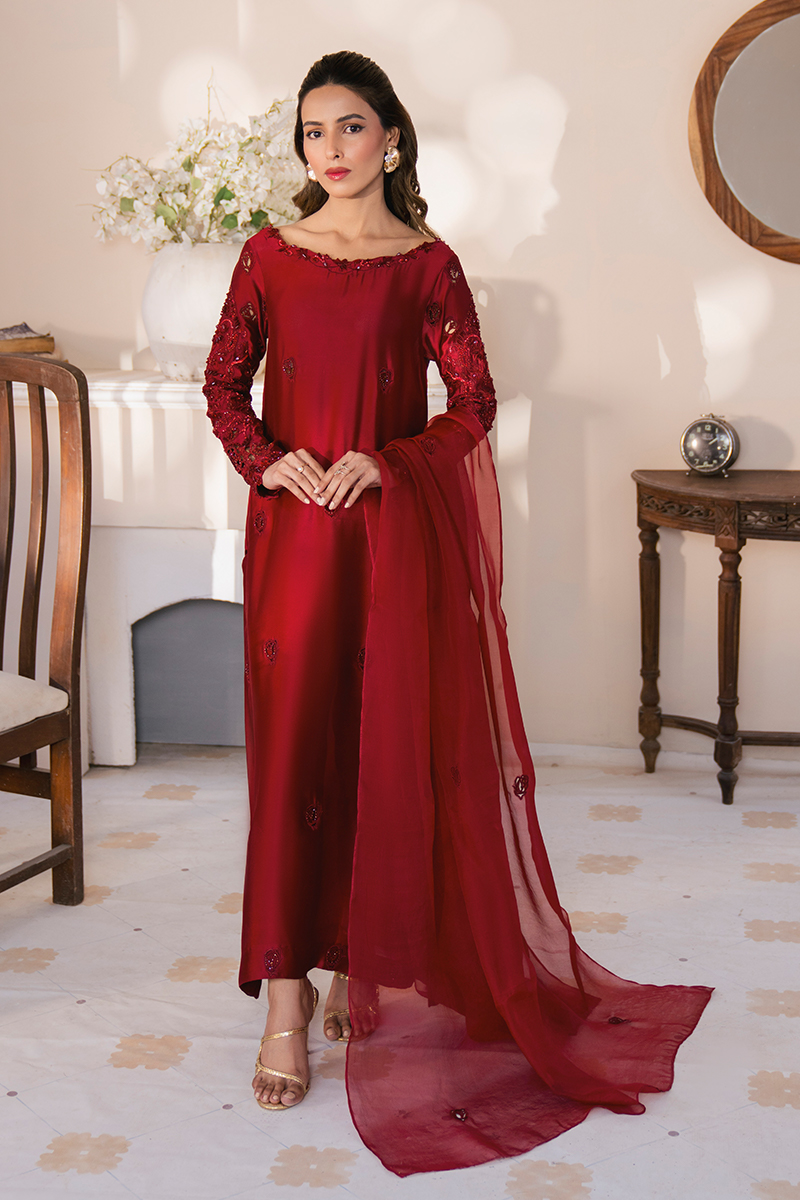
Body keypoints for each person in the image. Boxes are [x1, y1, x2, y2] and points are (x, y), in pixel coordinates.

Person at [204, 50, 712, 1178]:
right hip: (295, 546)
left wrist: (386, 464)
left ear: (390, 137)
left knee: (372, 751)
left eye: (348, 127)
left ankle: (350, 963)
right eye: (312, 133)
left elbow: (473, 401)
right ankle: (284, 1000)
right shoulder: (268, 257)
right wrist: (271, 460)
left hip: (386, 544)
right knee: (291, 759)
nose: (329, 150)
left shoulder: (427, 266)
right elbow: (223, 384)